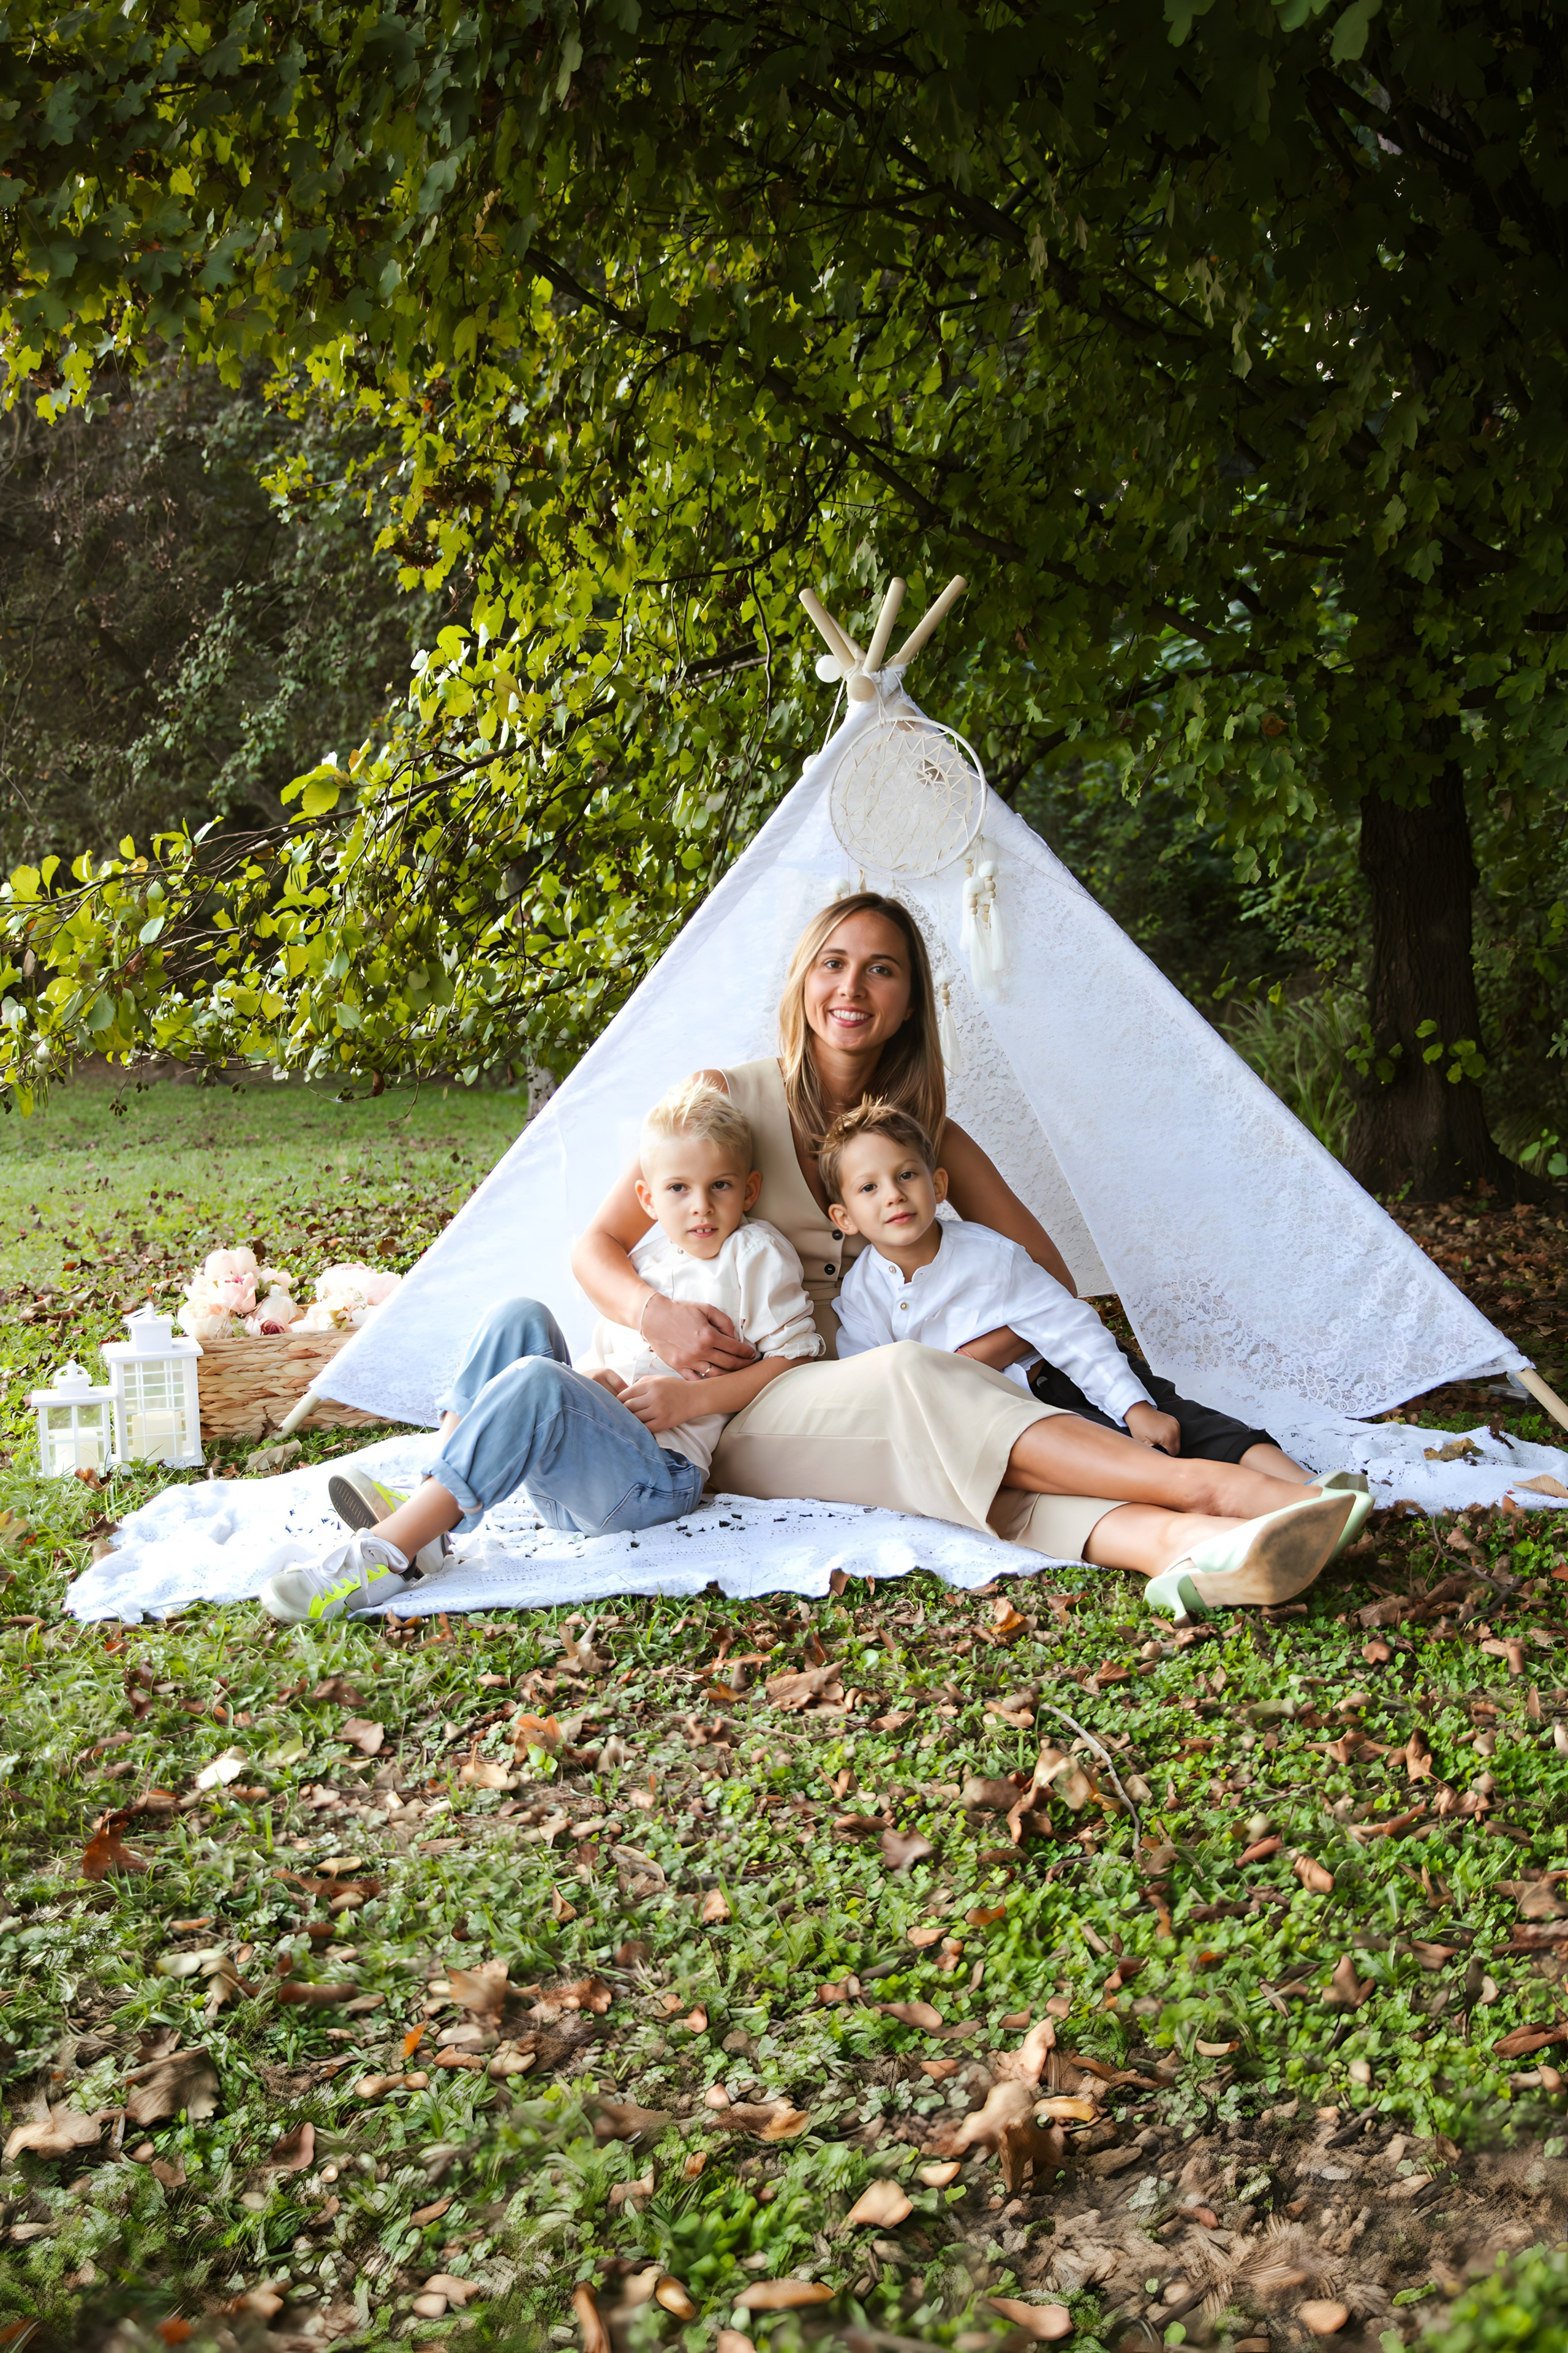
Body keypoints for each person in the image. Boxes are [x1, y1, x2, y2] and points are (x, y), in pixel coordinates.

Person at [573, 890, 1365, 1617]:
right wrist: (655, 1312)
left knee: (952, 1438)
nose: (852, 988)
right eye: (833, 963)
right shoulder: (725, 1100)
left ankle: (1176, 1546)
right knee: (914, 1381)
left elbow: (1046, 1279)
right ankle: (1216, 1493)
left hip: (877, 1394)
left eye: (881, 970)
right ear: (802, 982)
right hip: (741, 1408)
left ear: (910, 1001)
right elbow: (594, 1247)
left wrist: (967, 1364)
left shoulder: (925, 1137)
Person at [258, 1081, 821, 1623]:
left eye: (720, 1186)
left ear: (749, 1190)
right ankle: (432, 1521)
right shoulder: (644, 1263)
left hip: (657, 1481)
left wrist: (691, 1401)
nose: (701, 1206)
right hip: (575, 1484)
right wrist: (595, 1384)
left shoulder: (755, 1255)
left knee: (539, 1381)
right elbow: (610, 1371)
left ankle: (390, 1551)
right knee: (519, 1316)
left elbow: (796, 1360)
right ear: (647, 1199)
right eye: (679, 1188)